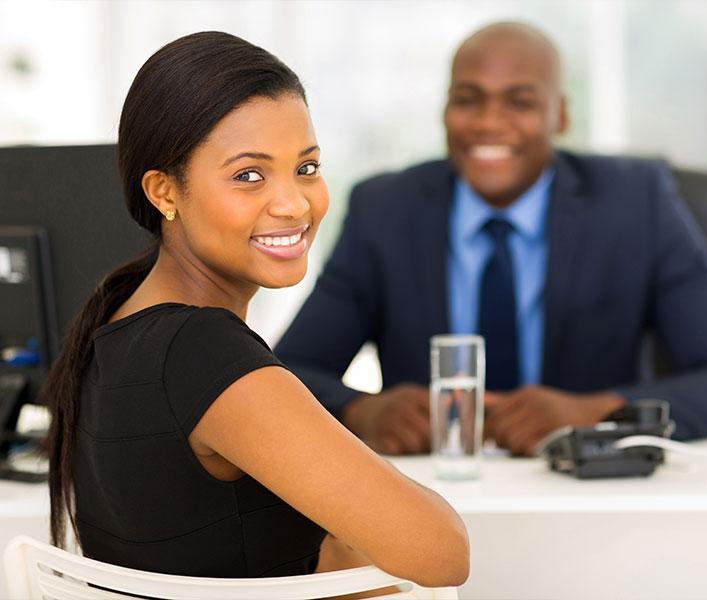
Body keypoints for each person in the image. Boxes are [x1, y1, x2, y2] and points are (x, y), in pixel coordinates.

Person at [43, 31, 469, 586]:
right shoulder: (204, 354)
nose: (293, 203)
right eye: (249, 175)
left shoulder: (115, 322)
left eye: (307, 168)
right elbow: (441, 551)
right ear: (164, 192)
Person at [276, 22, 707, 456]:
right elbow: (286, 373)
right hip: (431, 491)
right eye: (468, 99)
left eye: (519, 102)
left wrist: (598, 412)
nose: (488, 123)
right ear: (445, 109)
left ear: (559, 115)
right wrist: (362, 411)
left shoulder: (635, 203)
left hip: (588, 495)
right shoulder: (384, 210)